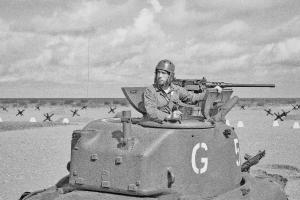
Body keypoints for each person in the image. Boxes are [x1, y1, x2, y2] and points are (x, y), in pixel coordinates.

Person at [143, 59, 211, 123]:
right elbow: (151, 111)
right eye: (158, 73)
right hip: (157, 126)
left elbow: (192, 97)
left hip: (174, 126)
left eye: (163, 73)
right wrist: (169, 116)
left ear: (170, 76)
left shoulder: (176, 89)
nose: (160, 76)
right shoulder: (150, 90)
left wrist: (211, 92)